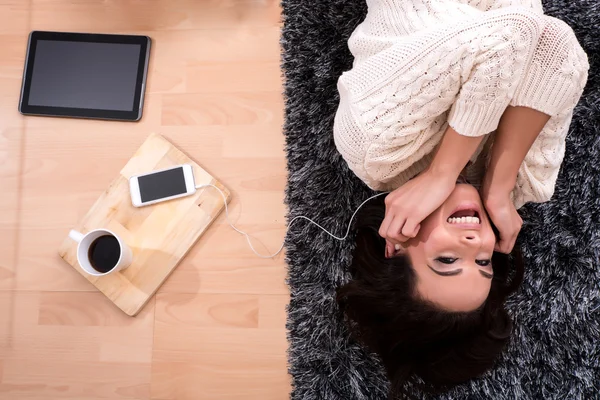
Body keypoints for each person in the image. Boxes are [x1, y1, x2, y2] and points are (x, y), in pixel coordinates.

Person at [332, 0, 589, 396]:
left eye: (448, 260)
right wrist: (499, 186)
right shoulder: (525, 186)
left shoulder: (373, 145)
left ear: (395, 248)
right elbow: (557, 45)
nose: (475, 242)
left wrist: (441, 173)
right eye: (484, 261)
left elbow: (516, 31)